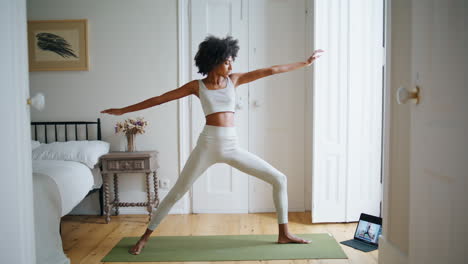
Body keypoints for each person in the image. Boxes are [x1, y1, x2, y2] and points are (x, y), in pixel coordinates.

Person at [101, 35, 324, 255]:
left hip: (232, 147)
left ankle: (284, 234)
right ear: (213, 61)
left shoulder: (234, 80)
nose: (231, 64)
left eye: (231, 60)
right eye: (226, 61)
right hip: (207, 146)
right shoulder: (197, 86)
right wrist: (123, 111)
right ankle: (144, 238)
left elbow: (271, 70)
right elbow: (161, 98)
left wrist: (305, 63)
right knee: (177, 193)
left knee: (279, 178)